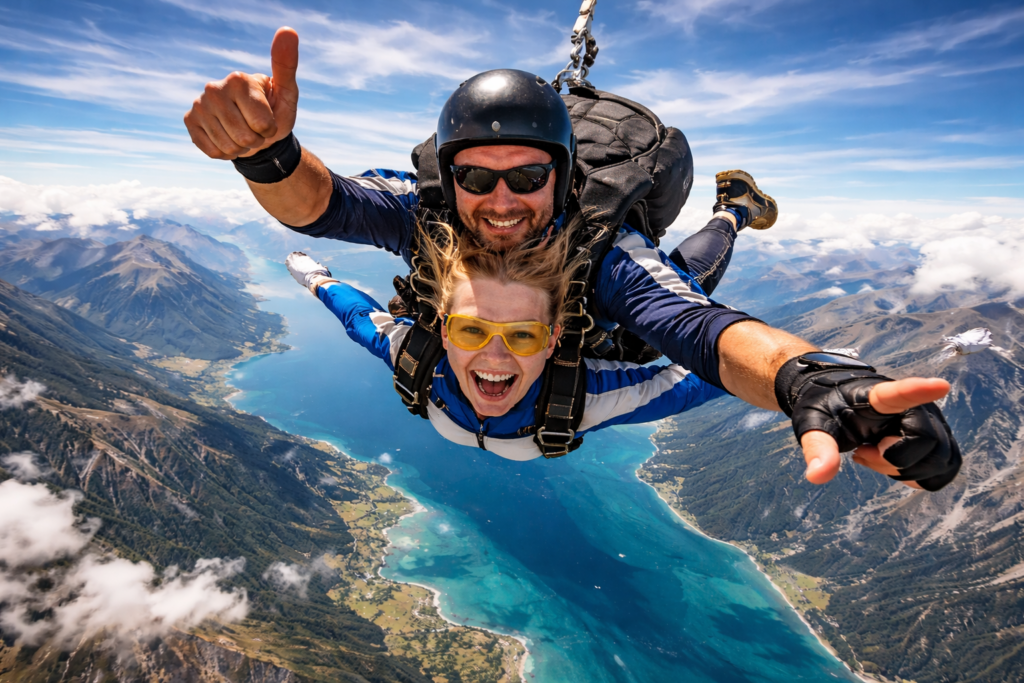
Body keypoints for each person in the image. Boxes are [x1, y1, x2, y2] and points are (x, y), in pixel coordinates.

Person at [184, 28, 961, 492]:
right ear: (447, 175)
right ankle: (732, 210)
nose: (499, 200)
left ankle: (733, 210)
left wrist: (809, 378)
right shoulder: (423, 219)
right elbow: (324, 208)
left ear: (563, 177)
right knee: (677, 291)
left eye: (527, 177)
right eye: (475, 177)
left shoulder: (608, 255)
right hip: (567, 350)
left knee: (682, 281)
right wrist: (268, 156)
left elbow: (699, 336)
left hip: (614, 310)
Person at [285, 217, 726, 460]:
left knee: (674, 303)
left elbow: (362, 320)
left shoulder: (579, 395)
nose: (494, 355)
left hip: (603, 343)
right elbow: (359, 319)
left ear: (553, 340)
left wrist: (777, 366)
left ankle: (732, 212)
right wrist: (318, 282)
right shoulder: (579, 402)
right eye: (471, 329)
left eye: (522, 335)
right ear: (443, 330)